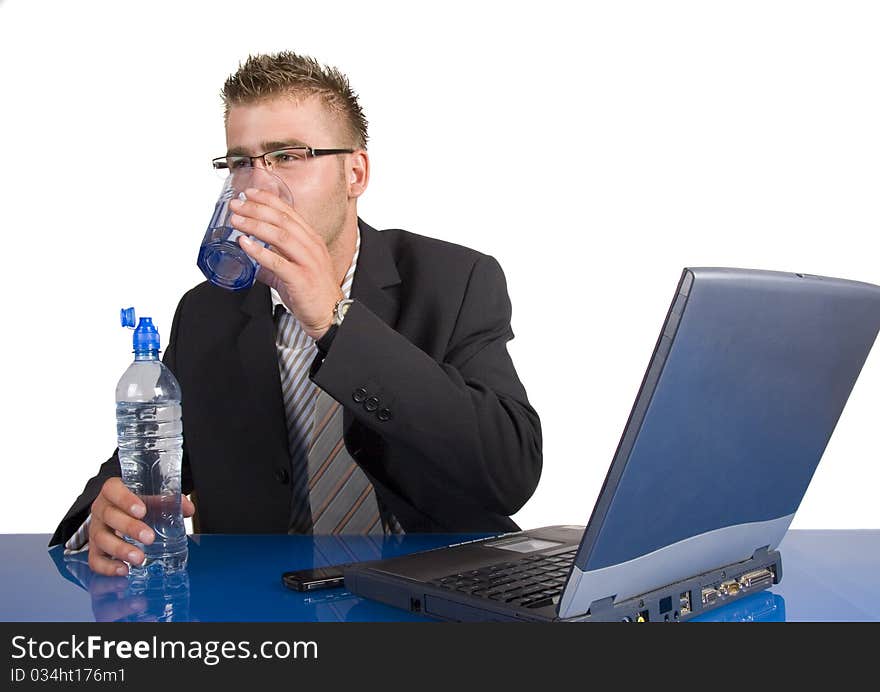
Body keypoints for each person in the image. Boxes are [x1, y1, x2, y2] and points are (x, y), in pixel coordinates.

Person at [49, 51, 542, 576]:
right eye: (241, 162)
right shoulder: (205, 313)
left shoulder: (453, 280)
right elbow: (137, 474)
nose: (258, 186)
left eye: (287, 156)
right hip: (268, 611)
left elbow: (509, 474)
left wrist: (335, 320)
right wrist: (101, 521)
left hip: (431, 598)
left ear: (355, 171)